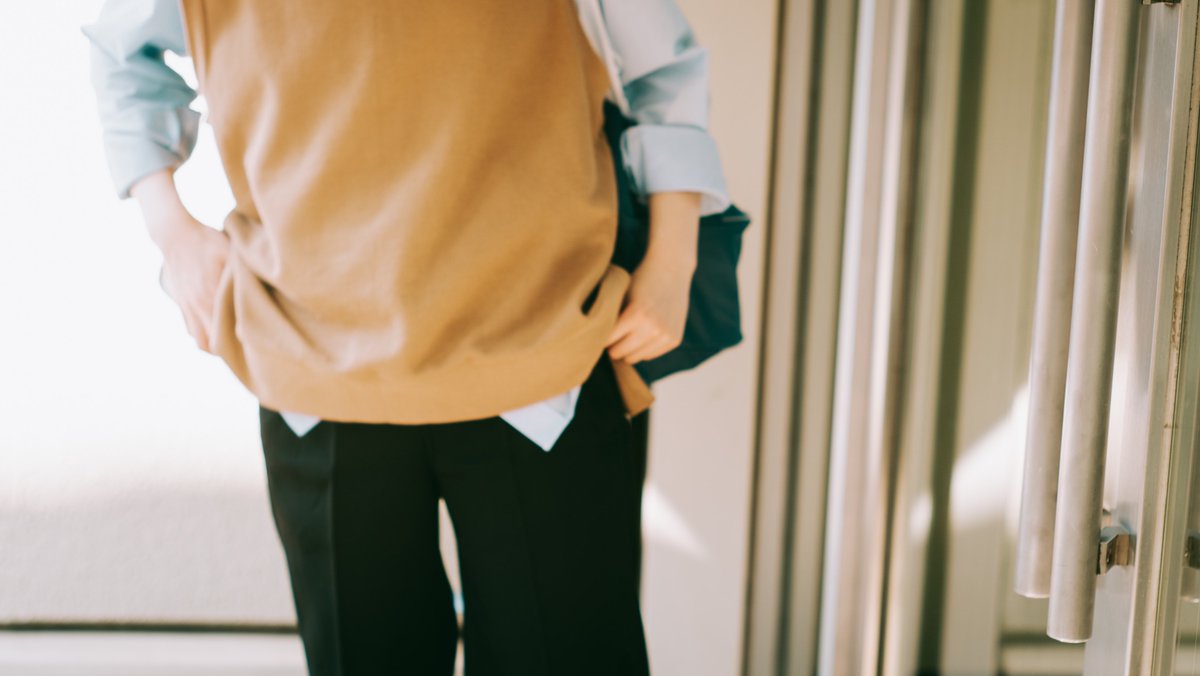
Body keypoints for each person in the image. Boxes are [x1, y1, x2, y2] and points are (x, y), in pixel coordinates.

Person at [81, 0, 729, 674]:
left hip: (543, 358)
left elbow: (663, 69)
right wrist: (172, 232)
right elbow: (124, 54)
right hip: (317, 367)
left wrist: (674, 256)